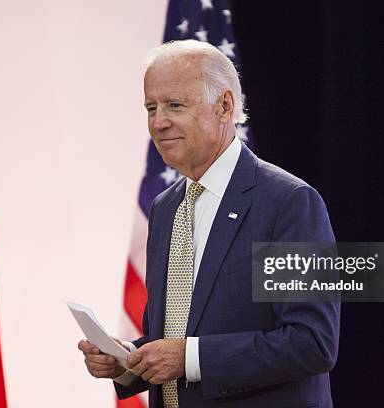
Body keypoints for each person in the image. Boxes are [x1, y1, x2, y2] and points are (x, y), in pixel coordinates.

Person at [78, 39, 340, 407]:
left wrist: (188, 359)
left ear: (224, 106)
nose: (159, 122)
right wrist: (127, 361)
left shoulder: (288, 202)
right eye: (151, 107)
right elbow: (175, 335)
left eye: (175, 106)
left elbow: (311, 342)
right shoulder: (165, 208)